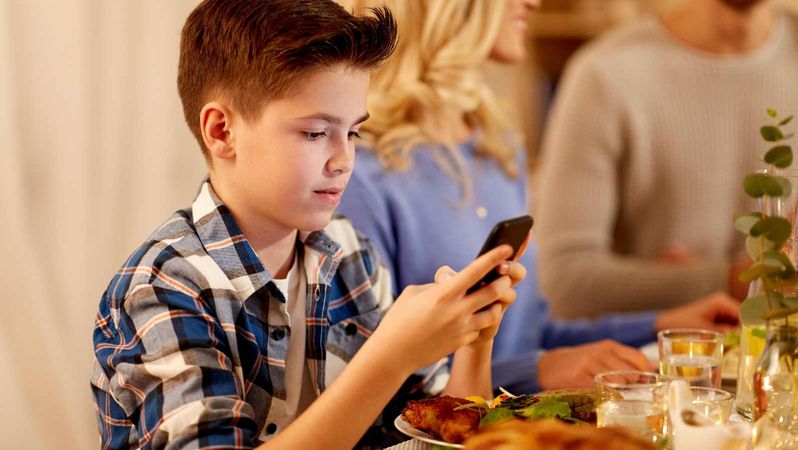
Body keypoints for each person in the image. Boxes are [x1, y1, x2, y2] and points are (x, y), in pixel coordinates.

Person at [89, 1, 527, 449]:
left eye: (352, 133)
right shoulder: (164, 288)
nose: (344, 161)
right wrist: (389, 358)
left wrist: (475, 339)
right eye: (315, 133)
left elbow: (439, 434)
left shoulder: (350, 253)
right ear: (221, 131)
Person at [338, 0, 741, 395]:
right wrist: (538, 370)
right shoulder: (359, 173)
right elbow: (368, 389)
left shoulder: (495, 148)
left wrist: (659, 326)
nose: (534, 3)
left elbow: (529, 337)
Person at [535, 0, 798, 318]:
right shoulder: (606, 74)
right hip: (664, 349)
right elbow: (562, 283)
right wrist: (736, 280)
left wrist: (682, 281)